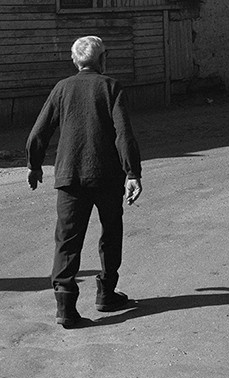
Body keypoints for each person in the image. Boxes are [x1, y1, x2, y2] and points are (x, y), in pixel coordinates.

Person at [26, 36, 143, 329]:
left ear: (75, 61)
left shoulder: (62, 88)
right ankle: (106, 293)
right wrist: (132, 173)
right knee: (111, 232)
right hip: (107, 176)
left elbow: (39, 131)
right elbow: (123, 134)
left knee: (67, 240)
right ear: (102, 59)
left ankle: (66, 306)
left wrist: (34, 165)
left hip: (70, 176)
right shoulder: (110, 87)